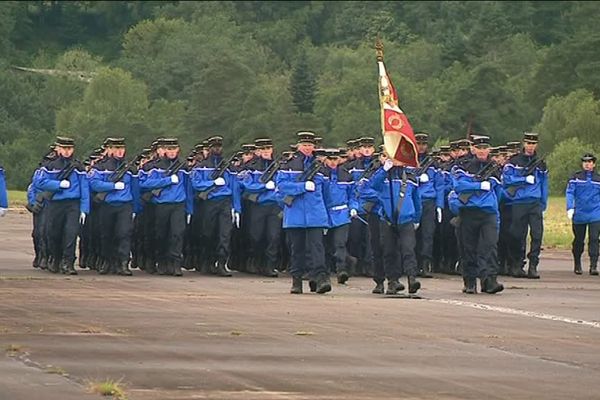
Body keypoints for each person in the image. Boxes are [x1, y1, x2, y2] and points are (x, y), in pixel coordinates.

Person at [277, 131, 330, 294]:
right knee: (297, 249)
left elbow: (327, 193)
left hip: (315, 213)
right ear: (299, 146)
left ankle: (320, 279)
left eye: (310, 145)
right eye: (305, 145)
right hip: (296, 213)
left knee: (317, 249)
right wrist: (301, 187)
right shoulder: (289, 164)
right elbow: (282, 186)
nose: (307, 148)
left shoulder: (320, 166)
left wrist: (327, 215)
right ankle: (297, 281)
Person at [451, 135, 504, 294]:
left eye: (485, 148)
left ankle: (490, 281)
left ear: (489, 150)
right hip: (469, 212)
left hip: (488, 213)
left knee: (489, 246)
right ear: (473, 149)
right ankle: (470, 282)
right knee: (469, 248)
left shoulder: (494, 168)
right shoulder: (463, 166)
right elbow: (459, 185)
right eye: (479, 148)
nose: (482, 151)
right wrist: (480, 185)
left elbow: (499, 192)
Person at [35, 136, 89, 275]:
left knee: (71, 234)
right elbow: (39, 182)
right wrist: (58, 184)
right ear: (58, 148)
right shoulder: (50, 165)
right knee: (54, 233)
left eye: (69, 149)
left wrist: (84, 208)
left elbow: (85, 188)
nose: (67, 151)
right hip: (55, 203)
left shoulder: (78, 167)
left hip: (73, 204)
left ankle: (68, 262)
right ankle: (56, 258)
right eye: (64, 148)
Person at [138, 138, 193, 276]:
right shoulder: (154, 166)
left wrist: (190, 209)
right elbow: (144, 183)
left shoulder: (183, 166)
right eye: (169, 149)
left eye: (174, 149)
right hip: (161, 205)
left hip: (178, 204)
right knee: (161, 234)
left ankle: (175, 263)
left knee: (177, 234)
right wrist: (166, 181)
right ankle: (161, 262)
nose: (172, 152)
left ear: (178, 149)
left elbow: (188, 188)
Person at [369, 156, 422, 295]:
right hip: (387, 219)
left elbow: (417, 200)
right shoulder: (383, 175)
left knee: (408, 250)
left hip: (406, 219)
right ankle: (392, 281)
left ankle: (412, 279)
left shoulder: (410, 176)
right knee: (389, 251)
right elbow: (374, 185)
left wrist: (416, 218)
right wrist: (384, 169)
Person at [190, 136, 241, 277]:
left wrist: (236, 208)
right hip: (209, 202)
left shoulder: (227, 166)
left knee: (224, 234)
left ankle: (221, 263)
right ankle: (208, 262)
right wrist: (211, 184)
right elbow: (195, 184)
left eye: (219, 146)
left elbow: (235, 187)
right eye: (214, 147)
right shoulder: (202, 166)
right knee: (208, 233)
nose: (217, 149)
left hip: (225, 202)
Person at [502, 132, 548, 279]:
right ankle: (516, 263)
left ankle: (533, 264)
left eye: (533, 144)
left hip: (535, 202)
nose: (530, 146)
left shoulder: (540, 163)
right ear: (523, 144)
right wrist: (522, 179)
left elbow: (544, 184)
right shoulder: (514, 161)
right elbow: (507, 180)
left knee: (537, 234)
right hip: (519, 202)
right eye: (528, 143)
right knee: (517, 235)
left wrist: (543, 202)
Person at [88, 138, 136, 276]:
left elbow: (135, 188)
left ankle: (123, 262)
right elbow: (94, 184)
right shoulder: (100, 167)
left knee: (124, 234)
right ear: (109, 150)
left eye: (121, 148)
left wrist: (136, 208)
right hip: (107, 205)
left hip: (125, 205)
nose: (120, 151)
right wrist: (112, 186)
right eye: (115, 148)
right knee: (106, 234)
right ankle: (107, 261)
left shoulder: (129, 168)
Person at [240, 138, 282, 277]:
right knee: (256, 236)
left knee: (273, 236)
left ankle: (269, 265)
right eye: (263, 149)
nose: (265, 152)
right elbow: (247, 185)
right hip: (258, 205)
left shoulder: (279, 166)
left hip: (274, 206)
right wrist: (263, 187)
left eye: (268, 149)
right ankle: (256, 262)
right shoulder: (252, 167)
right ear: (258, 151)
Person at [321, 148, 357, 284]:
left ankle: (341, 270)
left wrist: (353, 208)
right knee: (326, 246)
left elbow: (353, 194)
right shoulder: (320, 174)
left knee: (340, 244)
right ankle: (326, 270)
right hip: (325, 214)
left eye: (335, 159)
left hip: (342, 214)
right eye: (330, 159)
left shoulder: (346, 175)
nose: (332, 162)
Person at [413, 132, 444, 277]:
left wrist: (439, 205)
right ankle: (412, 265)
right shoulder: (408, 160)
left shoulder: (433, 163)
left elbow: (439, 185)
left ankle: (425, 264)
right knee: (412, 235)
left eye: (423, 144)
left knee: (427, 234)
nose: (421, 147)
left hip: (428, 202)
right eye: (418, 143)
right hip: (412, 202)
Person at [566, 153, 600, 276]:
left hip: (595, 213)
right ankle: (577, 263)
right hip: (579, 213)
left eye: (590, 162)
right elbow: (570, 192)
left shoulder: (598, 178)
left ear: (594, 164)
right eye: (585, 162)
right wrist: (570, 207)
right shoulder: (576, 177)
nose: (587, 164)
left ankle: (593, 265)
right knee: (579, 240)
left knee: (595, 239)